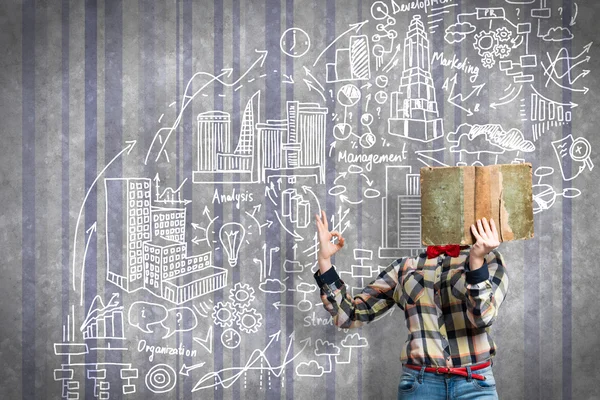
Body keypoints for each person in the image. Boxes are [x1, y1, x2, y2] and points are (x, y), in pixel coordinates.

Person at [313, 210, 508, 400]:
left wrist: (476, 261)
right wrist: (324, 260)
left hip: (475, 384)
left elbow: (482, 318)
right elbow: (348, 315)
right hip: (420, 386)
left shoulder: (489, 261)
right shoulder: (404, 268)